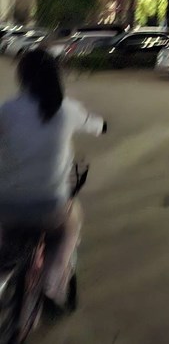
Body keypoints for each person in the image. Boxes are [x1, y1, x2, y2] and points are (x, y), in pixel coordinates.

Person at [0, 48, 106, 308]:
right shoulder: (68, 109)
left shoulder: (7, 110)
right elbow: (97, 126)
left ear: (23, 78)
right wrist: (103, 125)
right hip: (50, 206)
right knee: (72, 220)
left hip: (6, 205)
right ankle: (53, 279)